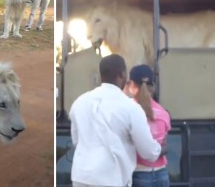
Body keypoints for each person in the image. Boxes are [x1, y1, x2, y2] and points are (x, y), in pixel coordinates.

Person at [69, 54, 162, 187]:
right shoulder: (131, 108)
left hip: (81, 177)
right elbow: (148, 152)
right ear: (122, 74)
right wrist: (161, 148)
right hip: (111, 179)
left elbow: (77, 141)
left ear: (101, 76)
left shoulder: (79, 103)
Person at [128, 64, 171, 187]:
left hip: (138, 173)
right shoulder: (164, 113)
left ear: (132, 85)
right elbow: (165, 146)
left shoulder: (129, 110)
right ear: (153, 87)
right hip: (162, 174)